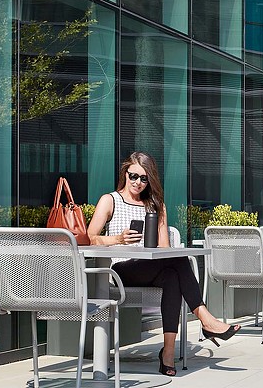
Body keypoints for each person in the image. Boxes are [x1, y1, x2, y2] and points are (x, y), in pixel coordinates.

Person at [87, 152, 240, 377]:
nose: (137, 182)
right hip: (121, 269)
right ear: (125, 173)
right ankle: (206, 319)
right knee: (178, 260)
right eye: (133, 176)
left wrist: (158, 219)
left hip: (150, 268)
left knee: (172, 275)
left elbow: (164, 250)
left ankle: (167, 352)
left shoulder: (156, 205)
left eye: (144, 178)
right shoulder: (110, 200)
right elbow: (91, 237)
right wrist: (118, 239)